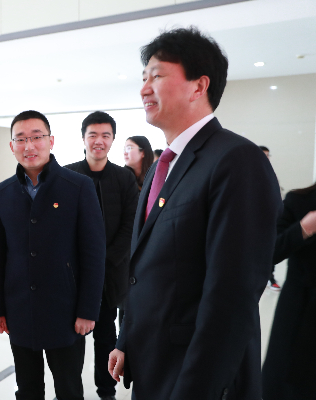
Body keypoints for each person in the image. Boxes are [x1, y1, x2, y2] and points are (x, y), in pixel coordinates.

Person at [108, 27, 282, 400]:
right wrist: (126, 339)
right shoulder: (162, 167)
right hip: (153, 363)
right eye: (143, 78)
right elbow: (146, 268)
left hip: (196, 377)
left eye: (156, 76)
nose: (143, 89)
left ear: (199, 86)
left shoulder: (236, 160)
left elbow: (231, 297)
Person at [0, 110, 105, 400]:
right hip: (19, 309)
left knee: (68, 388)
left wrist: (88, 311)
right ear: (12, 146)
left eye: (37, 137)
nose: (29, 146)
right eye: (21, 139)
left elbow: (94, 253)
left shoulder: (78, 186)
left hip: (65, 310)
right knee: (27, 388)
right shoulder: (3, 192)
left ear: (51, 141)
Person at [64, 111, 138, 400]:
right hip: (73, 276)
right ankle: (70, 392)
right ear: (83, 138)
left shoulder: (124, 178)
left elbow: (130, 226)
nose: (99, 141)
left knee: (106, 338)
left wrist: (102, 262)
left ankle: (106, 392)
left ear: (113, 139)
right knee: (71, 341)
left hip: (109, 276)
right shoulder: (67, 176)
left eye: (105, 135)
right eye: (93, 135)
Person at [262, 182, 316, 400]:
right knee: (286, 383)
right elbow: (270, 251)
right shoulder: (299, 200)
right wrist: (303, 229)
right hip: (299, 313)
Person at [259, 145, 282, 291]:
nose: (266, 158)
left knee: (270, 247)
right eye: (264, 155)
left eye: (268, 155)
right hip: (253, 220)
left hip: (268, 218)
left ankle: (269, 277)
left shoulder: (271, 174)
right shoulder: (248, 172)